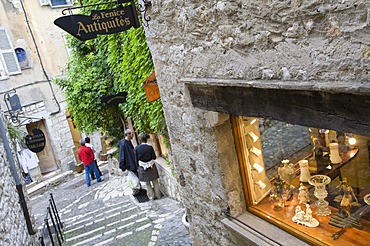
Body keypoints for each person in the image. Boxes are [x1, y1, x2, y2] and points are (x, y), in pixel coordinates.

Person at [135, 132, 161, 200]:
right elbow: (154, 157)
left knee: (147, 183)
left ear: (140, 140)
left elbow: (136, 159)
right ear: (147, 139)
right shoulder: (150, 147)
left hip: (142, 167)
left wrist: (137, 167)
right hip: (151, 166)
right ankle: (158, 195)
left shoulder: (137, 148)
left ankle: (151, 196)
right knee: (155, 181)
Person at [118, 129, 140, 193]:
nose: (133, 135)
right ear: (127, 134)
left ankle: (138, 189)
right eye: (131, 134)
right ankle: (136, 191)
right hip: (130, 164)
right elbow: (122, 156)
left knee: (136, 177)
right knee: (134, 178)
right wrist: (122, 166)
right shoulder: (124, 144)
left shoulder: (128, 142)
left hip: (133, 163)